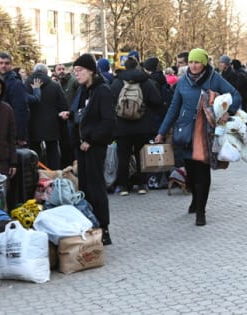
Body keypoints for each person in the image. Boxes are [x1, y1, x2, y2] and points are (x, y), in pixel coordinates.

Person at [155, 48, 241, 226]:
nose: (193, 66)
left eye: (197, 62)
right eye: (191, 62)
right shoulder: (182, 81)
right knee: (190, 174)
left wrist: (228, 111)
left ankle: (201, 211)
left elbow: (235, 95)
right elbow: (173, 108)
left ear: (204, 63)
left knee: (202, 172)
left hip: (206, 133)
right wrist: (162, 132)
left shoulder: (214, 78)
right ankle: (195, 198)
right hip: (185, 132)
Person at [68, 54, 115, 245]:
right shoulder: (83, 90)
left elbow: (108, 122)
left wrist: (92, 140)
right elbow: (81, 114)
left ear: (91, 71)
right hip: (81, 146)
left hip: (94, 147)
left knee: (96, 188)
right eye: (75, 71)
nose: (76, 74)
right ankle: (90, 224)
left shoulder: (102, 90)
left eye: (80, 71)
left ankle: (104, 228)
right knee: (85, 187)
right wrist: (70, 116)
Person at [111, 55, 165, 196]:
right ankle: (142, 184)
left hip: (121, 127)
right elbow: (157, 101)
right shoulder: (146, 82)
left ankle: (123, 186)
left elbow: (110, 102)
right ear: (136, 66)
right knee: (141, 155)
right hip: (142, 126)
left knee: (123, 156)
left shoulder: (117, 82)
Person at [24, 63, 69, 170]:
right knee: (53, 152)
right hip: (52, 125)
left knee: (34, 153)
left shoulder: (25, 84)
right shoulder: (54, 85)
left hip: (32, 124)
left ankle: (36, 177)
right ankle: (55, 177)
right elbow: (63, 105)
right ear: (46, 72)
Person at [0, 51, 40, 147]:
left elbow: (21, 110)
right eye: (1, 63)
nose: (3, 66)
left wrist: (20, 136)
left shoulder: (15, 83)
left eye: (6, 63)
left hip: (10, 130)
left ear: (11, 65)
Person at [52, 63, 79, 167]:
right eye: (59, 69)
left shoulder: (72, 81)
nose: (62, 71)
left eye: (63, 68)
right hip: (58, 119)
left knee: (69, 144)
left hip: (70, 118)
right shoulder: (53, 83)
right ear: (55, 72)